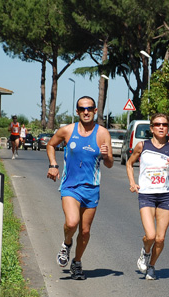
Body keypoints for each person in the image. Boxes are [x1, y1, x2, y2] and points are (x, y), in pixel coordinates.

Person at [46, 96, 114, 280]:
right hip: (70, 186)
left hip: (91, 188)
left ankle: (77, 262)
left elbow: (109, 164)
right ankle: (67, 244)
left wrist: (107, 156)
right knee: (71, 222)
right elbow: (51, 145)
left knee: (84, 231)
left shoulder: (102, 133)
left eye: (89, 108)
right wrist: (53, 164)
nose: (86, 112)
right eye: (82, 109)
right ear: (77, 111)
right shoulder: (67, 131)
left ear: (95, 111)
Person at [126, 113, 169, 280]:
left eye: (164, 125)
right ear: (151, 128)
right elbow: (129, 163)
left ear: (168, 128)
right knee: (151, 235)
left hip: (165, 196)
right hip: (146, 194)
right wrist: (133, 182)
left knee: (160, 239)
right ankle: (145, 252)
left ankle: (151, 266)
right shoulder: (142, 146)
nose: (161, 127)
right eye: (157, 124)